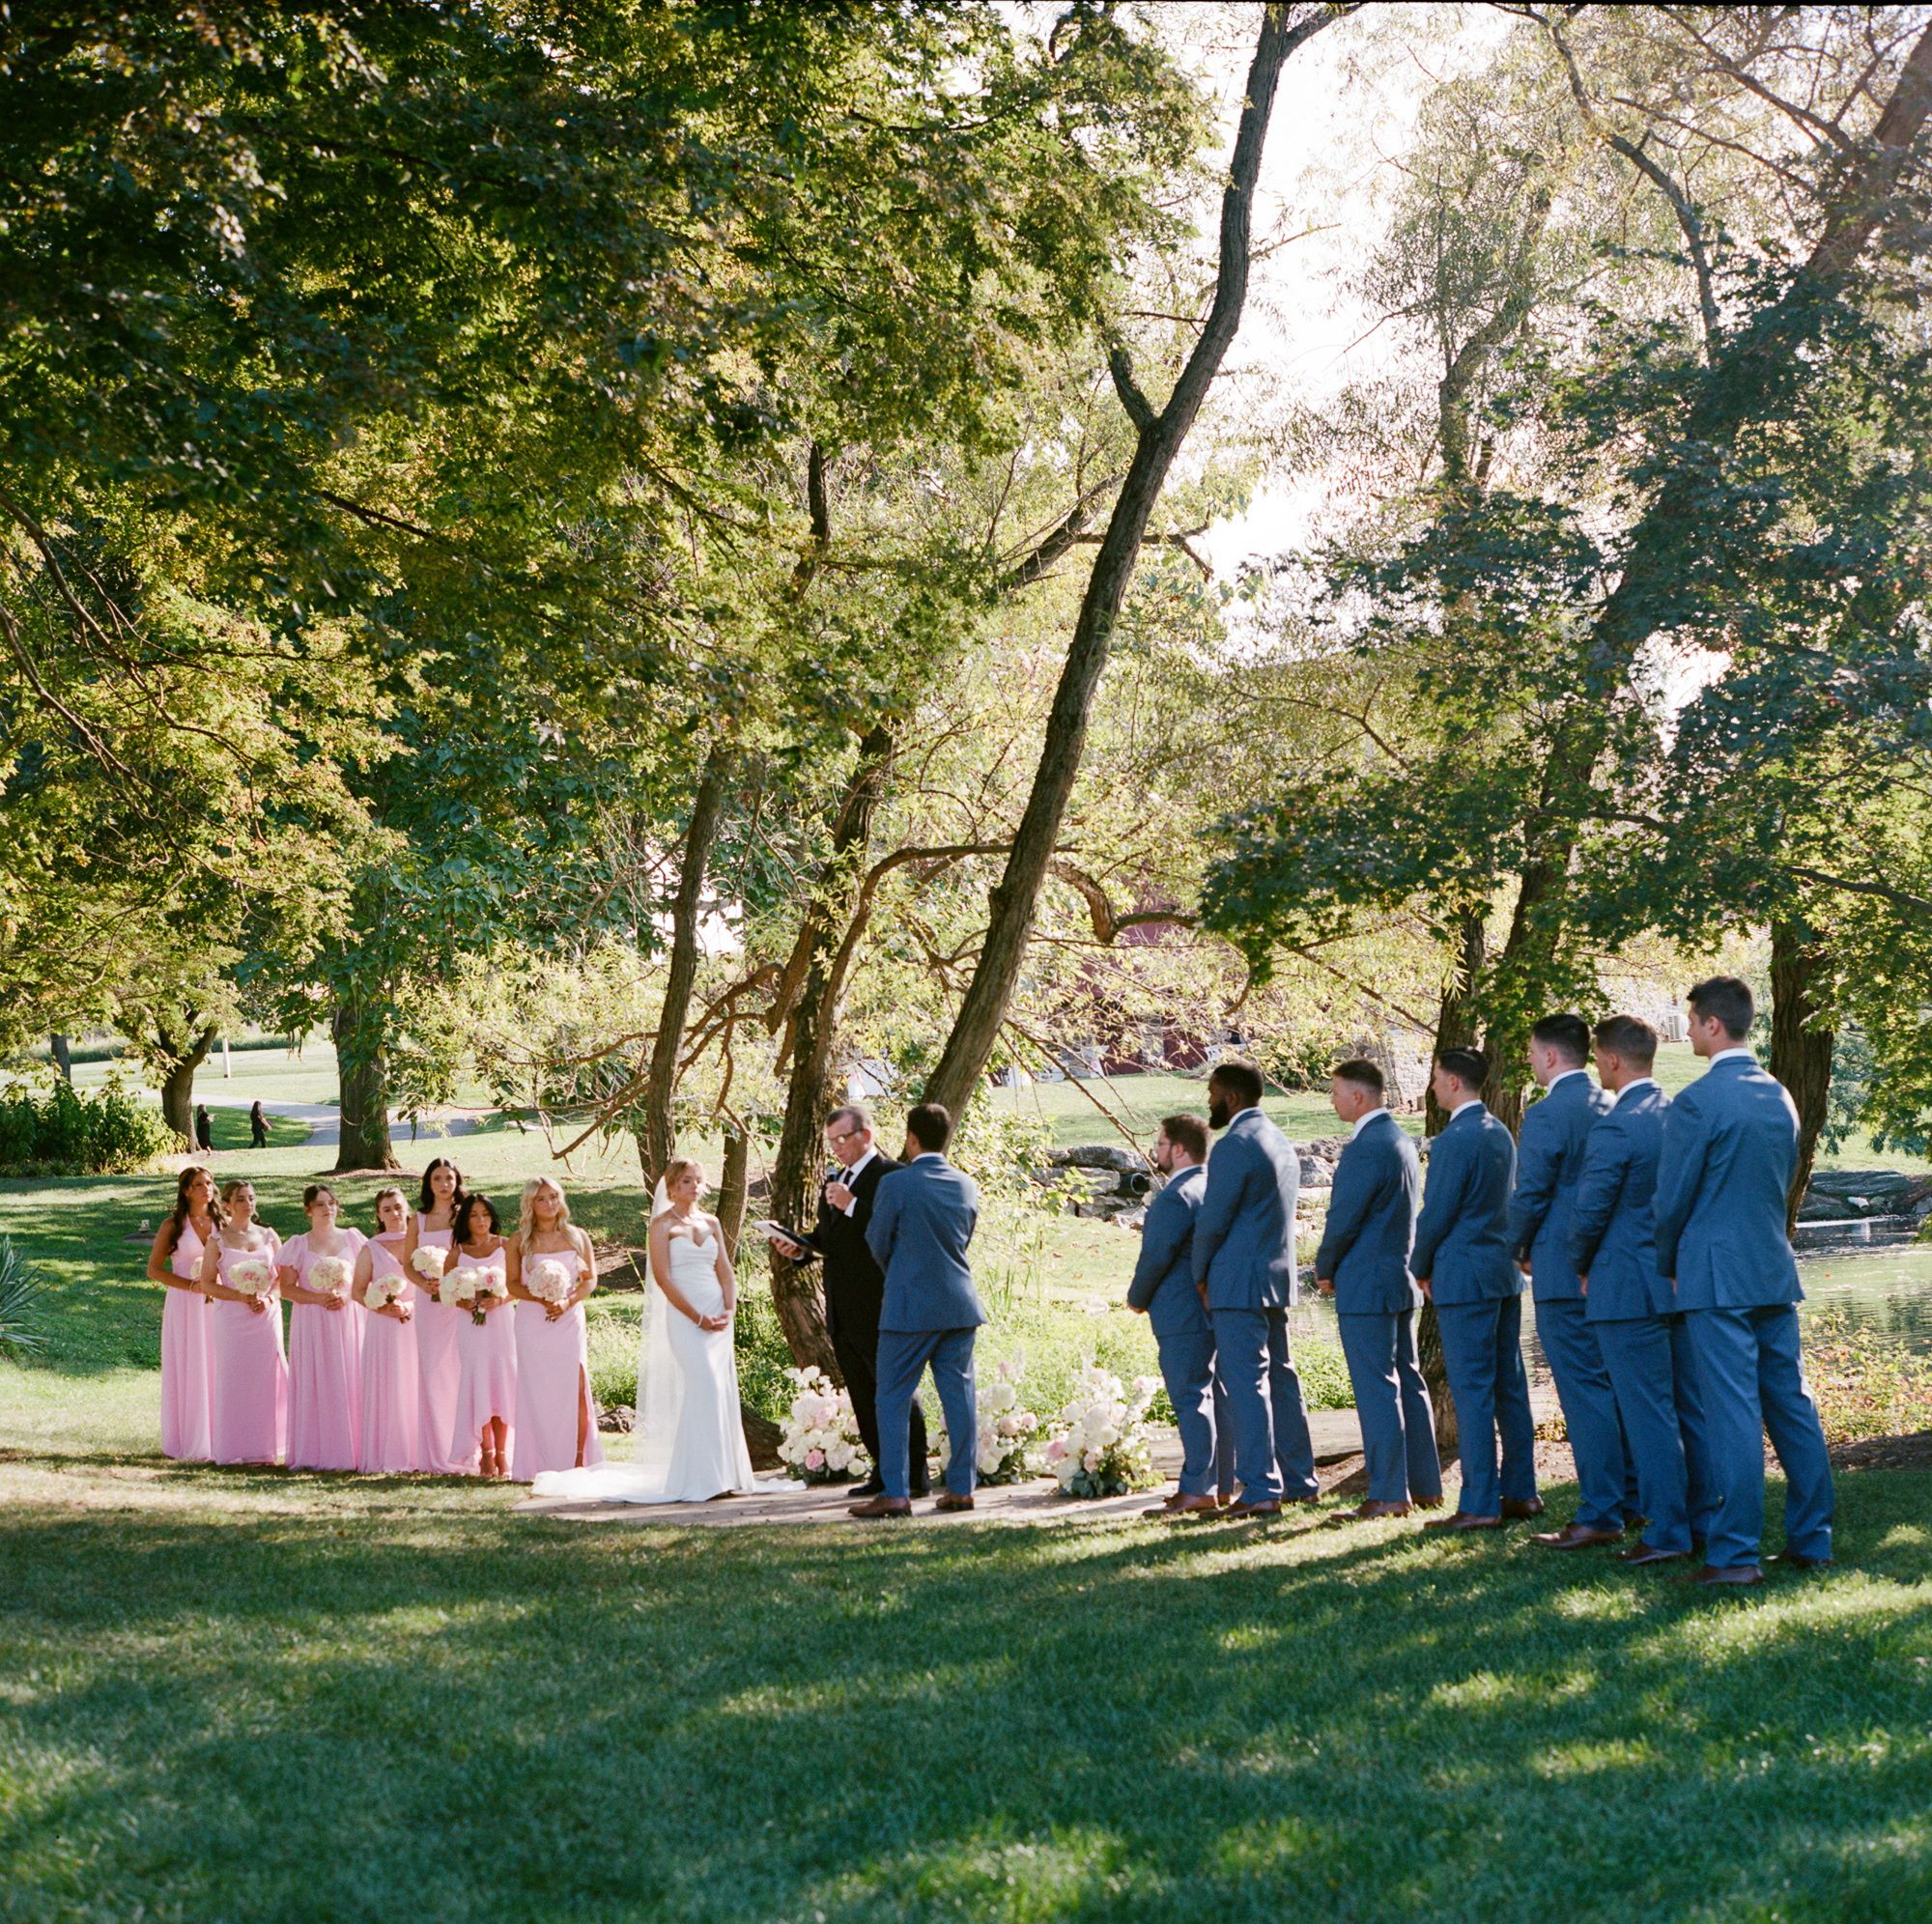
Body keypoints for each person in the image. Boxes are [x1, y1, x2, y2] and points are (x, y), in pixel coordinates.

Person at [1653, 976, 1834, 1586]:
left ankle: (1733, 1555)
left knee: (1730, 1413)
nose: (1687, 1030)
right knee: (1790, 1404)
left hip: (1713, 1270)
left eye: (1691, 1019)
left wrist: (1668, 1262)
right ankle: (1813, 1539)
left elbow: (1672, 1200)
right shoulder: (1779, 1095)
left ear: (1712, 1025)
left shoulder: (1697, 1101)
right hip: (1769, 1265)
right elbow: (1781, 1179)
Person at [1569, 1015, 1715, 1568]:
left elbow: (1589, 1213)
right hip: (1678, 1282)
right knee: (1689, 1407)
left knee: (1646, 1413)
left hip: (1625, 1287)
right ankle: (1702, 1519)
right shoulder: (1679, 1114)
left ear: (1609, 1060)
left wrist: (1580, 1265)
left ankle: (1668, 1532)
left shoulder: (1615, 1126)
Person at [533, 1159, 764, 1505]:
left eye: (698, 1180)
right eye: (687, 1180)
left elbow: (726, 1272)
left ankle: (725, 1474)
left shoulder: (712, 1222)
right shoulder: (662, 1225)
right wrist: (698, 1316)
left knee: (721, 1389)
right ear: (671, 1187)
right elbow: (664, 1277)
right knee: (704, 1385)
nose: (694, 1186)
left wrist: (728, 1310)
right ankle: (700, 1477)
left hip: (719, 1314)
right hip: (687, 1316)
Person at [1508, 1014, 1627, 1551]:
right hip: (1615, 1268)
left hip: (1559, 1268)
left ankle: (1601, 1510)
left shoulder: (1547, 1112)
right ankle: (1636, 1496)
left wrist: (1515, 1246)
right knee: (1620, 1387)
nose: (1531, 1061)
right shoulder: (1613, 1103)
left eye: (1533, 1053)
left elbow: (1530, 1193)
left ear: (1551, 1056)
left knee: (1582, 1392)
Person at [1410, 1048, 1542, 1531]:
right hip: (1503, 1272)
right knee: (1510, 1386)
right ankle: (1521, 1492)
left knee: (1471, 1391)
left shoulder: (1452, 1141)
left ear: (1454, 1083)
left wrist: (1419, 1266)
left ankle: (1480, 1502)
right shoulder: (1499, 1132)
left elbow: (1437, 1213)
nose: (1433, 1087)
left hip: (1464, 1276)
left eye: (1437, 1078)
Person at [766, 1105, 927, 1499]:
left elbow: (900, 1232)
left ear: (866, 1136)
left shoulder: (893, 1176)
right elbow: (833, 1240)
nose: (835, 1148)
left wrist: (851, 1204)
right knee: (863, 1393)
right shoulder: (836, 1182)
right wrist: (800, 1248)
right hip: (842, 1308)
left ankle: (916, 1474)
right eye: (831, 1142)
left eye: (842, 1139)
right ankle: (885, 1471)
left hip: (884, 1305)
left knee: (896, 1392)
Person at [1315, 1060, 1442, 1521]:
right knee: (1407, 1380)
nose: (1331, 1099)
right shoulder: (1401, 1141)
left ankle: (1389, 1492)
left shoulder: (1366, 1146)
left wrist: (1324, 1266)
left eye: (1335, 1091)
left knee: (1376, 1387)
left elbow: (1344, 1217)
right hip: (1399, 1278)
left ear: (1358, 1097)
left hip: (1366, 1282)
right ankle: (1425, 1485)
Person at [1191, 1060, 1318, 1520]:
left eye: (1212, 1093)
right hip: (1275, 1279)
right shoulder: (1279, 1141)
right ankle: (1301, 1481)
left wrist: (1199, 1273)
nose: (1208, 1101)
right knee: (1281, 1379)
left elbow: (1213, 1219)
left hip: (1237, 1282)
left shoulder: (1233, 1146)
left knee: (1246, 1383)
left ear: (1231, 1096)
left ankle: (1261, 1487)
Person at [851, 1103, 983, 1518]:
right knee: (959, 1398)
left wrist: (901, 1274)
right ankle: (961, 1488)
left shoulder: (896, 1184)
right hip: (959, 1304)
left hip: (908, 1308)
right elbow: (963, 1238)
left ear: (911, 1139)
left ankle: (895, 1491)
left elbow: (877, 1240)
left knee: (890, 1397)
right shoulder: (966, 1185)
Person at [1126, 1113, 1231, 1518]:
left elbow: (1156, 1255)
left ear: (1180, 1150)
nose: (1157, 1152)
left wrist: (1137, 1297)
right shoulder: (1214, 1188)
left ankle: (1197, 1488)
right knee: (1213, 1397)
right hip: (1212, 1306)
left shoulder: (1176, 1196)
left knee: (1190, 1397)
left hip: (1180, 1310)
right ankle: (1217, 1484)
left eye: (1161, 1145)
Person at [506, 1175, 606, 1482]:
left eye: (553, 1197)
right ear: (530, 1204)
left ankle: (577, 1460)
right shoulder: (519, 1240)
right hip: (532, 1322)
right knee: (536, 1391)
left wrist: (567, 1301)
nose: (549, 1204)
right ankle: (535, 1462)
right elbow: (511, 1283)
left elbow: (589, 1280)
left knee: (574, 1388)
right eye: (541, 1199)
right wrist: (540, 1296)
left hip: (568, 1319)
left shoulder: (577, 1237)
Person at [196, 1178, 288, 1464]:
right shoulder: (217, 1240)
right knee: (235, 1379)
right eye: (240, 1199)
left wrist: (269, 1299)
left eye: (251, 1198)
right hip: (232, 1319)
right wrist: (239, 1296)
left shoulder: (270, 1236)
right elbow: (207, 1284)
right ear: (227, 1205)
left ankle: (270, 1447)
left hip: (266, 1317)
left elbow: (285, 1278)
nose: (248, 1204)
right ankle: (234, 1448)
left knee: (266, 1379)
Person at [277, 1183, 366, 1473]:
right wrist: (318, 1298)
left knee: (350, 1377)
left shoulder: (353, 1239)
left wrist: (348, 1295)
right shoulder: (297, 1245)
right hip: (312, 1322)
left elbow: (367, 1279)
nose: (327, 1208)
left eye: (331, 1203)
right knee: (316, 1379)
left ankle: (353, 1449)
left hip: (348, 1317)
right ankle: (315, 1450)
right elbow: (287, 1289)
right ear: (308, 1211)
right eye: (320, 1204)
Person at [403, 1158, 476, 1475]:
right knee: (433, 1372)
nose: (444, 1184)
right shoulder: (417, 1220)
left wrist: (454, 1285)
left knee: (462, 1370)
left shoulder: (465, 1215)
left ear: (457, 1181)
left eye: (449, 1178)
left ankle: (469, 1450)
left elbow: (476, 1251)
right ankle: (437, 1453)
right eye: (437, 1178)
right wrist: (424, 1283)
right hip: (428, 1305)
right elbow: (407, 1262)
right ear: (428, 1184)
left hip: (458, 1302)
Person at [146, 1165, 217, 1461]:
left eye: (210, 1183)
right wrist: (190, 1285)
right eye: (199, 1184)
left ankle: (219, 1435)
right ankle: (189, 1437)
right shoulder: (173, 1225)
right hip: (185, 1304)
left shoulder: (222, 1223)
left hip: (218, 1303)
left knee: (216, 1364)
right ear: (186, 1191)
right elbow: (154, 1269)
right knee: (190, 1365)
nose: (207, 1189)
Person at [443, 1193, 516, 1478]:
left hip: (501, 1324)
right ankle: (485, 1454)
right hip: (471, 1328)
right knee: (478, 1384)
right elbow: (446, 1291)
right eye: (474, 1215)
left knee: (500, 1383)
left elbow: (517, 1284)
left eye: (485, 1214)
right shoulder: (457, 1252)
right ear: (466, 1220)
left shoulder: (507, 1246)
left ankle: (502, 1454)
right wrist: (462, 1301)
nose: (481, 1220)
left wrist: (499, 1299)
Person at [351, 1187, 421, 1474]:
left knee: (418, 1382)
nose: (394, 1214)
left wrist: (413, 1306)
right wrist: (381, 1307)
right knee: (391, 1384)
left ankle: (421, 1451)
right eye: (387, 1209)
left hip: (419, 1322)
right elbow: (357, 1291)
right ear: (378, 1215)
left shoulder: (422, 1244)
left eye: (398, 1207)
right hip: (384, 1328)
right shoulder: (371, 1248)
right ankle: (390, 1452)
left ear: (408, 1209)